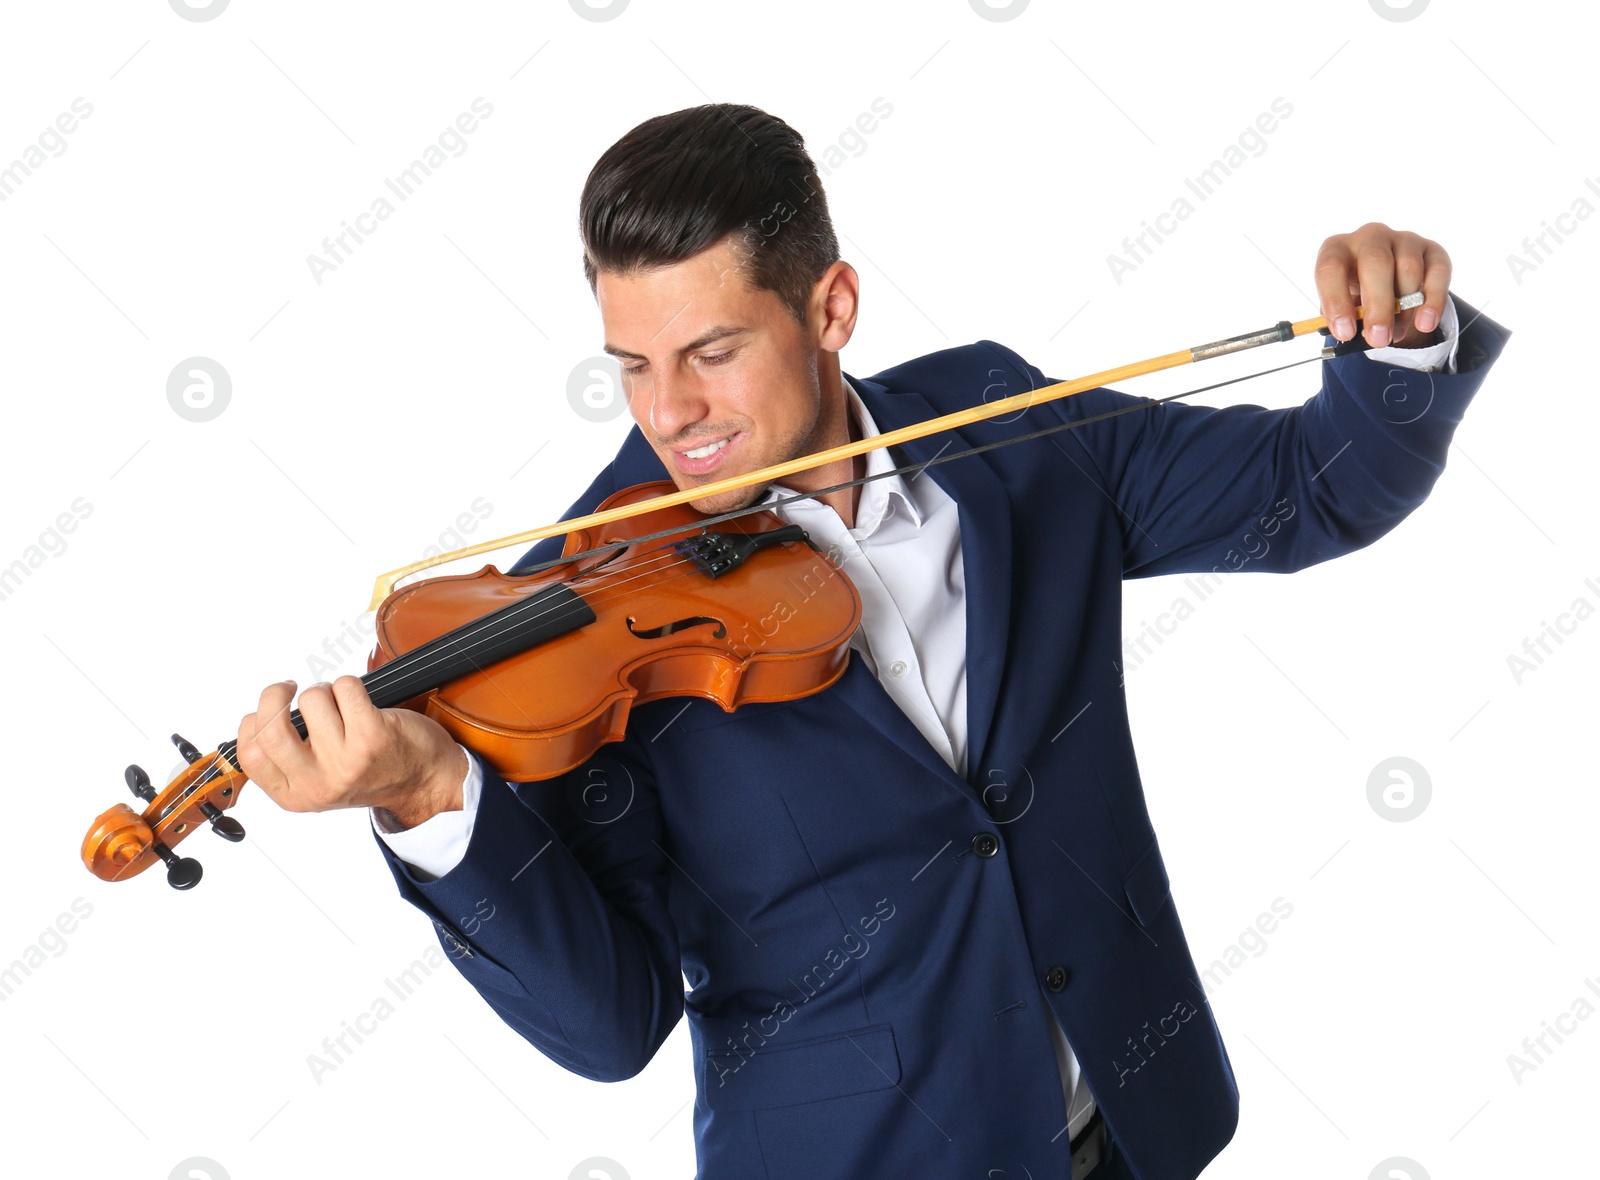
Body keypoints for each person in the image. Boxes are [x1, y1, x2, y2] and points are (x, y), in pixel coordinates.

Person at [235, 104, 1510, 1179]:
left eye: (712, 352)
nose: (671, 415)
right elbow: (609, 1023)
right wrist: (432, 799)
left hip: (1126, 1124)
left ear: (831, 305)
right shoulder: (570, 618)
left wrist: (1397, 343)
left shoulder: (1009, 426)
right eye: (629, 366)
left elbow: (1314, 487)